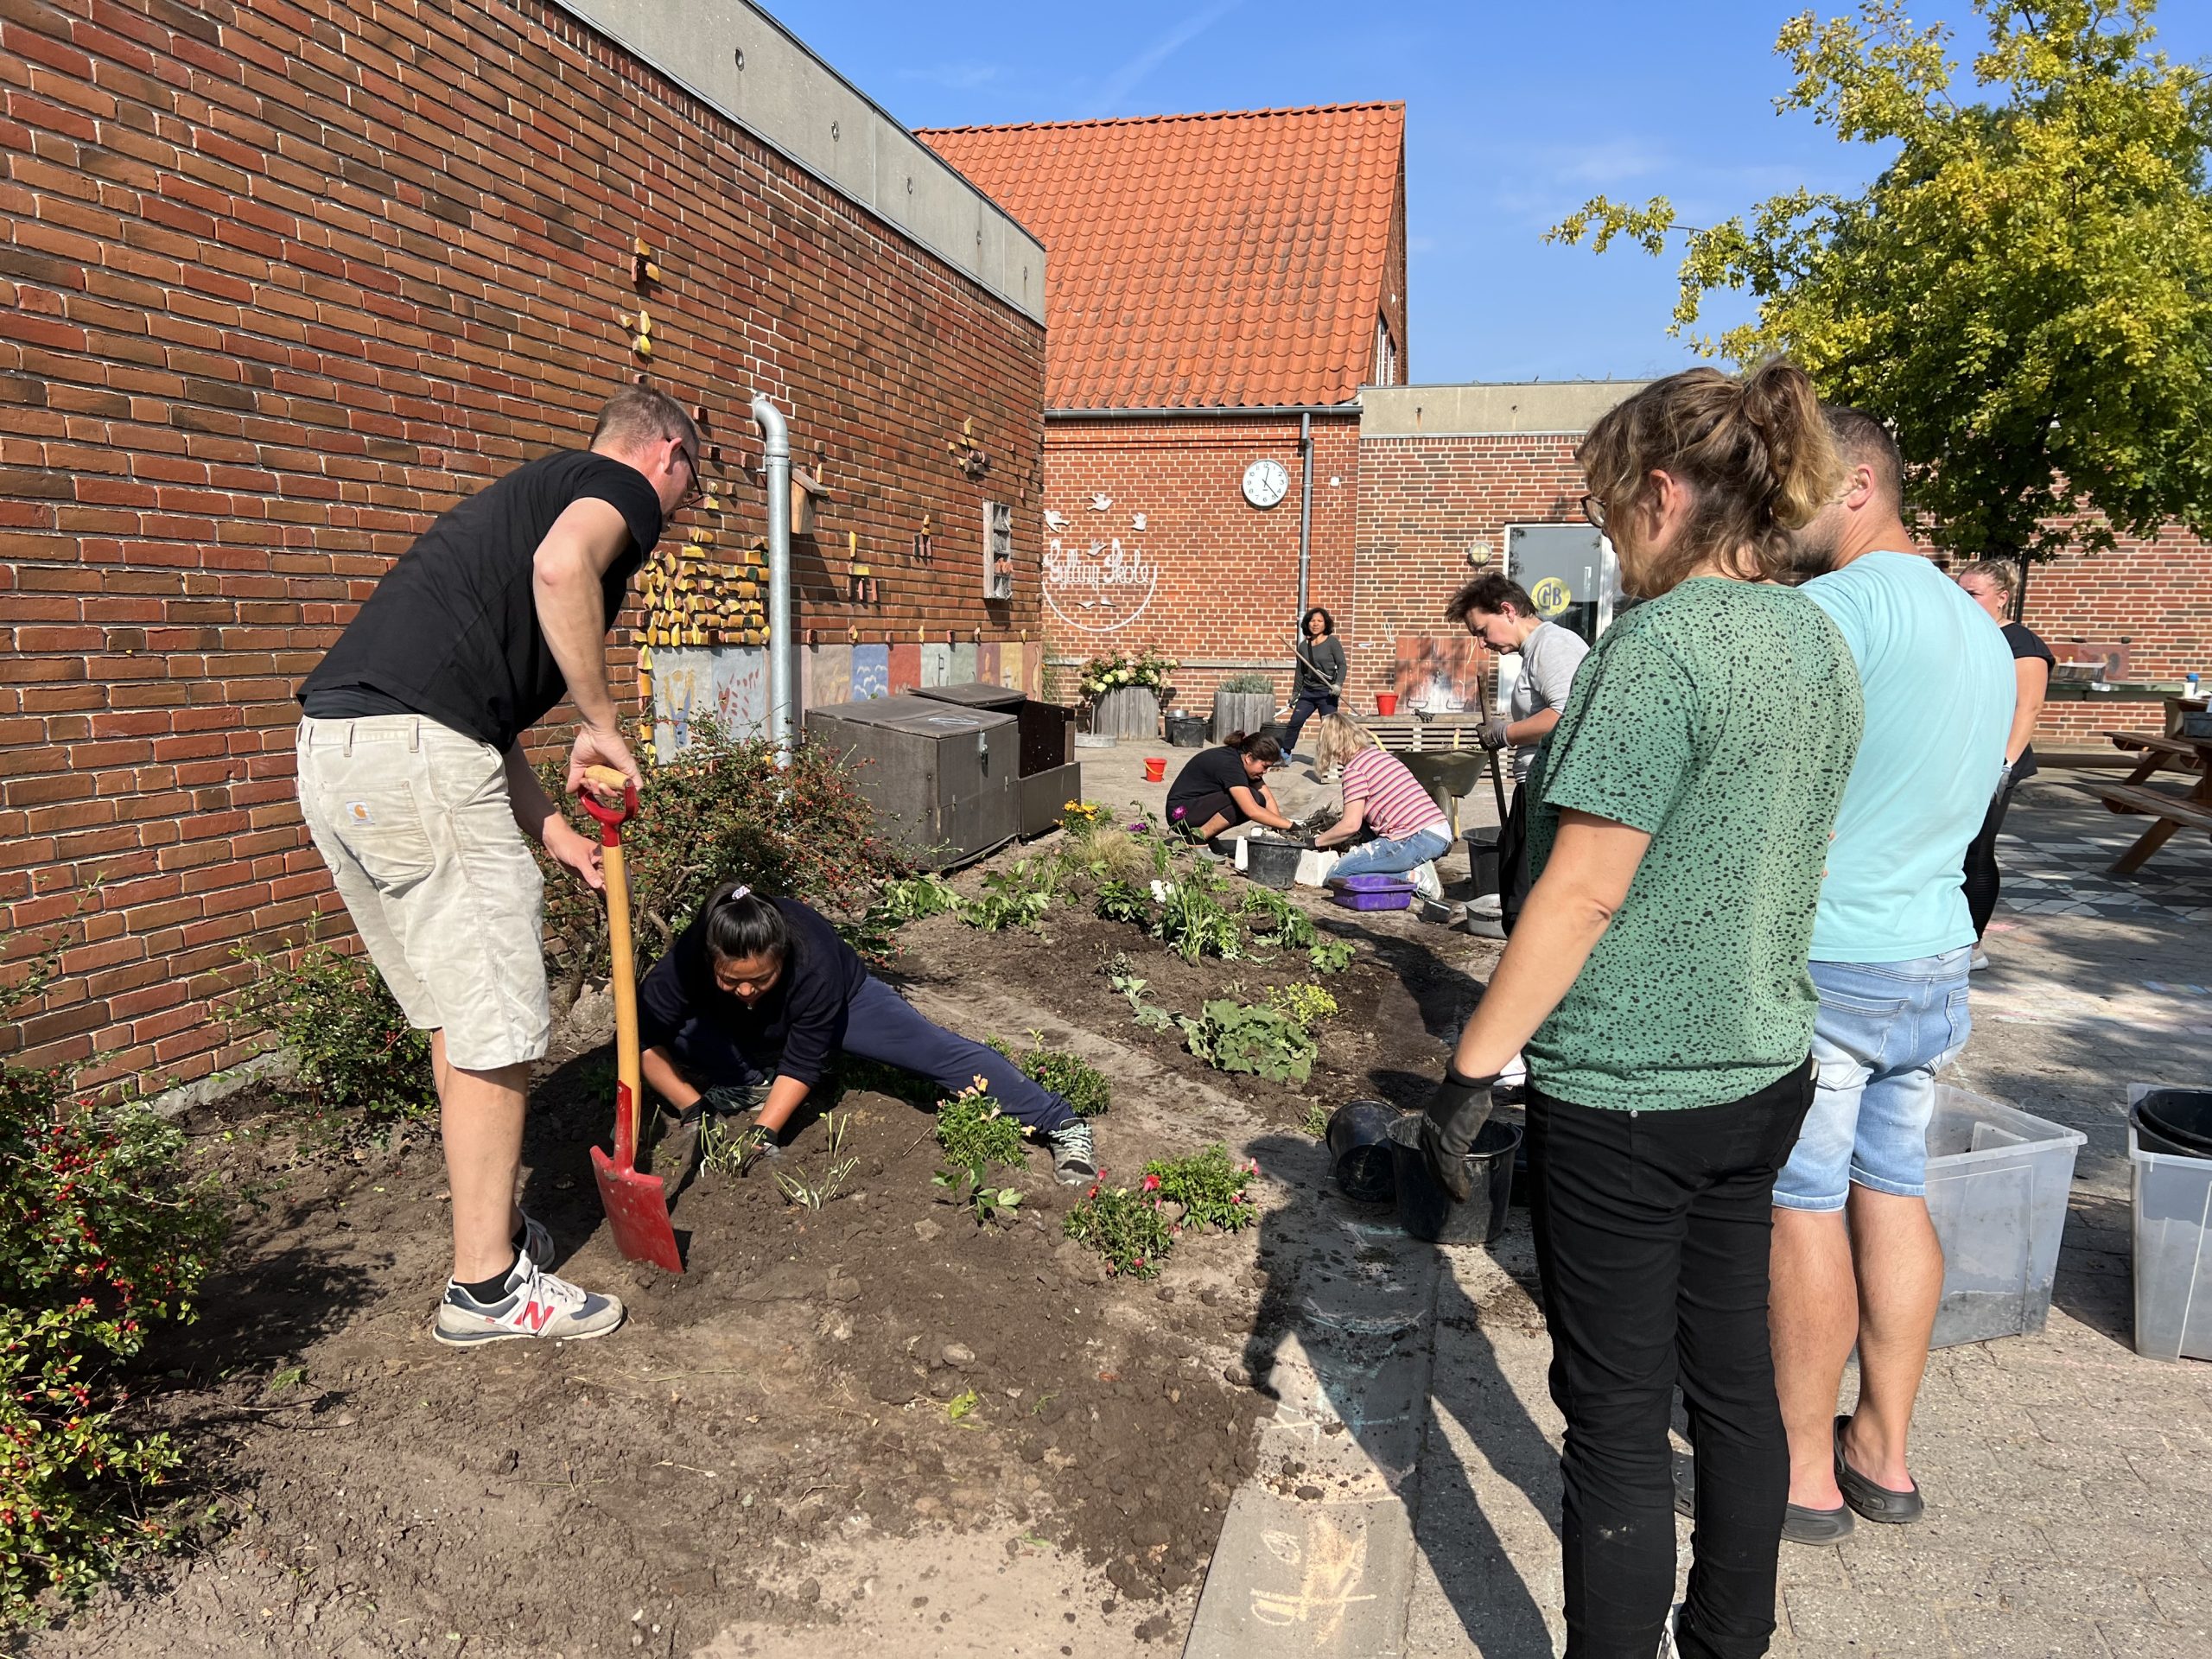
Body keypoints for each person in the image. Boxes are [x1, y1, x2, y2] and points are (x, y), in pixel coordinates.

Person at [1414, 362, 1863, 1659]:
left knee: (1615, 1415)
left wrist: (1468, 1078)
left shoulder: (1657, 653)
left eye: (1612, 510)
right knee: (1733, 1387)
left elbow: (1580, 894)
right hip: (1762, 1068)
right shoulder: (1815, 639)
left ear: (1665, 494)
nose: (1608, 539)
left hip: (1628, 1091)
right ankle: (1730, 1642)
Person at [295, 385, 701, 1348]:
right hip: (418, 759)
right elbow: (566, 571)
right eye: (696, 483)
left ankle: (494, 1238)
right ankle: (483, 1289)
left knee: (458, 1017)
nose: (679, 514)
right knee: (497, 1025)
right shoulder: (618, 491)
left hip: (338, 753)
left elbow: (476, 722)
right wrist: (602, 722)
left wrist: (556, 835)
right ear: (670, 454)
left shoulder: (521, 501)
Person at [1760, 409, 2013, 1546]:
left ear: (1857, 484)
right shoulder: (1977, 627)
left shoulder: (1830, 615)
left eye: (1795, 489)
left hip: (1834, 953)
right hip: (1935, 953)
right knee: (1894, 1186)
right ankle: (1885, 1451)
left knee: (1802, 1199)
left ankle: (1804, 1471)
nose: (1779, 514)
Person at [636, 883, 1098, 1182]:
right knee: (670, 1029)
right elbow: (640, 1037)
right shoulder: (687, 962)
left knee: (932, 1052)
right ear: (711, 959)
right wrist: (689, 1104)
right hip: (750, 1026)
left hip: (843, 1006)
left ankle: (1061, 1122)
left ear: (783, 959)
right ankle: (752, 1080)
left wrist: (764, 1134)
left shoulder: (812, 958)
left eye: (760, 979)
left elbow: (804, 1060)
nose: (745, 990)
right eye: (730, 979)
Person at [1446, 572, 1591, 936]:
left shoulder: (1555, 645)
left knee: (1527, 907)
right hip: (1535, 787)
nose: (1482, 644)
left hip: (1552, 791)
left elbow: (1568, 714)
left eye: (1481, 631)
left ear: (1507, 610)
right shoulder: (1534, 654)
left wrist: (1505, 733)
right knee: (1516, 894)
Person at [1955, 559, 2053, 960]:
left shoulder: (2021, 643)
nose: (1962, 600)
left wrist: (2004, 765)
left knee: (1977, 850)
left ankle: (1972, 946)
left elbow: (2026, 709)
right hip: (1958, 757)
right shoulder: (1965, 635)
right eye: (1958, 591)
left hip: (1994, 763)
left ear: (2002, 597)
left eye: (1972, 594)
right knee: (1950, 849)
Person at [1306, 714, 1452, 902]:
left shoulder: (1354, 770)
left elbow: (1350, 825)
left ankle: (1415, 879)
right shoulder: (1379, 755)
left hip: (1414, 839)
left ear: (1330, 746)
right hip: (1438, 833)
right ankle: (1411, 865)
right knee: (1366, 829)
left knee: (1338, 874)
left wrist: (1316, 842)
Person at [1163, 730, 1296, 842]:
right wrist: (1292, 826)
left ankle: (1206, 836)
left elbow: (1267, 798)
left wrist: (1281, 830)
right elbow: (1252, 810)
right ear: (1249, 758)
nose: (1265, 771)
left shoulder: (1242, 760)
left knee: (1257, 798)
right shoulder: (1230, 765)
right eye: (1265, 766)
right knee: (1252, 799)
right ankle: (1197, 839)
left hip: (1196, 807)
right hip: (1180, 814)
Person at [1285, 607, 1346, 754]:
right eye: (1313, 621)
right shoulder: (1303, 647)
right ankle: (1285, 752)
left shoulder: (1332, 642)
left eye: (1320, 621)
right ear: (1307, 623)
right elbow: (1300, 672)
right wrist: (1295, 693)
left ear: (1326, 624)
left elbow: (1342, 665)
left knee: (1330, 727)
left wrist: (1338, 685)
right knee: (1295, 722)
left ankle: (1334, 756)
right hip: (1308, 692)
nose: (1315, 624)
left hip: (1327, 692)